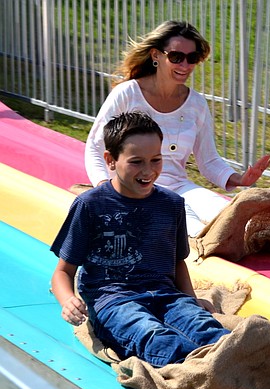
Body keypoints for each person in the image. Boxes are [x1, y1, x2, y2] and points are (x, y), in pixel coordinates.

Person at [52, 111, 231, 367]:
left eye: (156, 159)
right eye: (136, 162)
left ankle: (227, 361)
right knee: (159, 340)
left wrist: (191, 299)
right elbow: (63, 271)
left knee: (212, 335)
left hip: (167, 296)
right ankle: (196, 370)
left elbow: (177, 262)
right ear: (110, 160)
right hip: (113, 301)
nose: (148, 170)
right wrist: (68, 300)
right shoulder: (90, 205)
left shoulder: (171, 204)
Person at [84, 20, 270, 236]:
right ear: (156, 55)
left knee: (237, 220)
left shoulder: (196, 104)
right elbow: (95, 146)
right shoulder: (127, 94)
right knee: (193, 229)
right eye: (176, 57)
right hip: (134, 189)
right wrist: (105, 189)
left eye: (192, 58)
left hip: (181, 187)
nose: (185, 65)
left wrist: (239, 179)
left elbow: (208, 159)